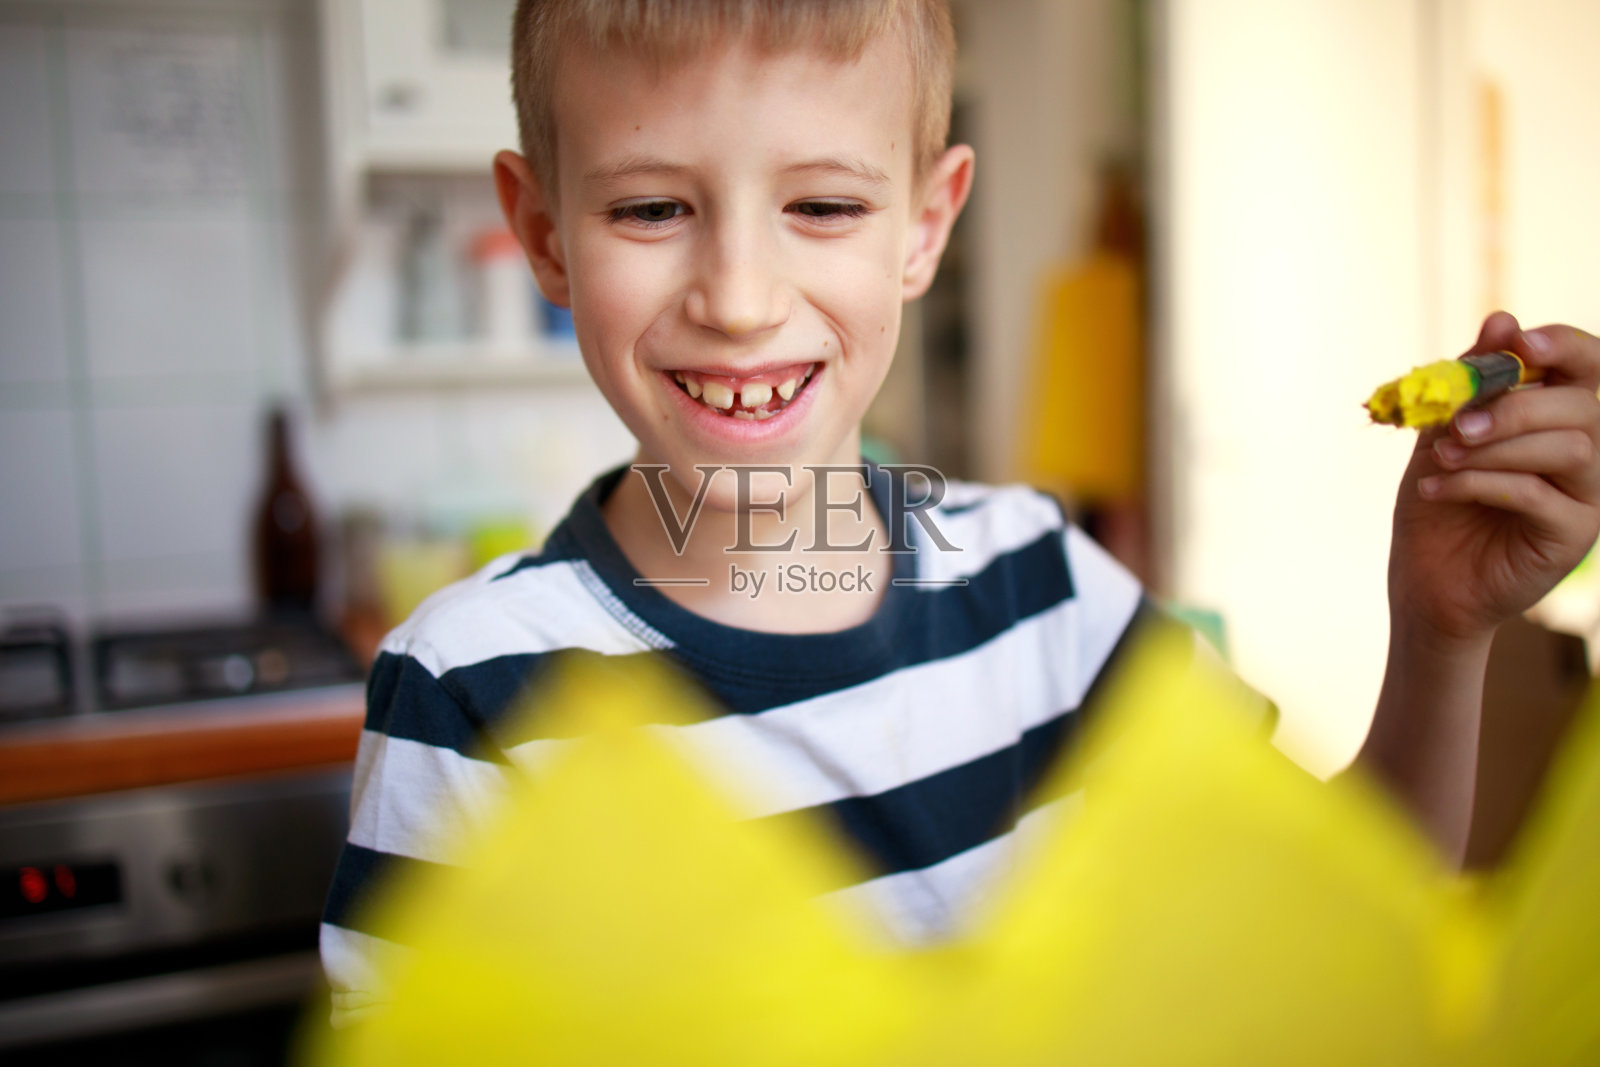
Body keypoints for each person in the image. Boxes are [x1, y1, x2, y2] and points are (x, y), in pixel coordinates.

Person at [319, 0, 1600, 1026]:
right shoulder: (468, 694)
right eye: (652, 208)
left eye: (822, 204)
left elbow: (1333, 931)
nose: (741, 296)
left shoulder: (1043, 585)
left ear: (924, 225)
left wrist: (1437, 631)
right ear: (543, 233)